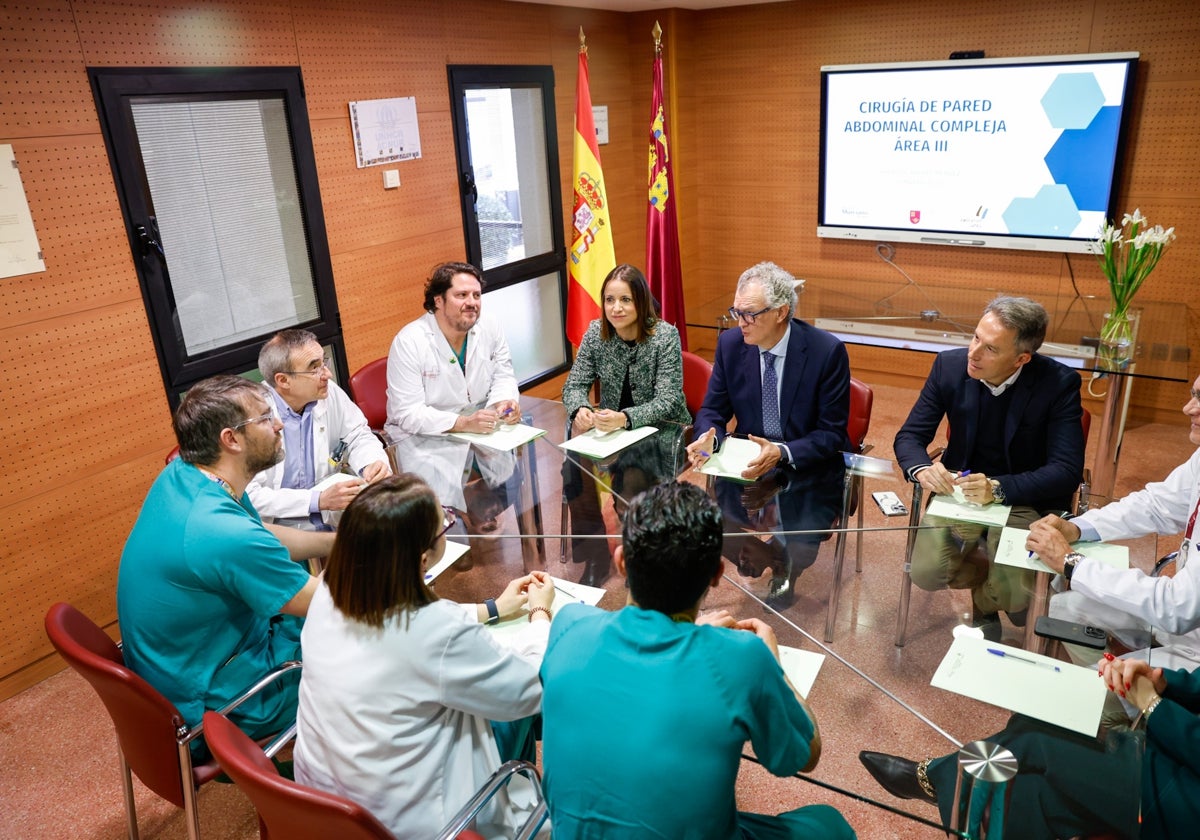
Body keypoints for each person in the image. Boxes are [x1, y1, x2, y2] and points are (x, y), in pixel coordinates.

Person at [539, 481, 855, 839]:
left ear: (622, 563)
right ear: (718, 575)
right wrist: (772, 666)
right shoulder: (742, 658)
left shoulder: (568, 625)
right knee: (829, 826)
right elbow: (803, 757)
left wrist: (687, 634)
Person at [293, 474, 554, 838]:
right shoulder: (436, 630)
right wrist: (540, 615)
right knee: (528, 709)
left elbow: (411, 626)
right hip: (417, 824)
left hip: (328, 806)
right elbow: (529, 690)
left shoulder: (330, 592)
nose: (448, 524)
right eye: (445, 522)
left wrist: (492, 608)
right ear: (422, 557)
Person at [117, 375, 331, 749]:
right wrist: (396, 565)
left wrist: (340, 541)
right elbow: (327, 602)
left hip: (186, 667)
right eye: (265, 418)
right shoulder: (219, 531)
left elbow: (263, 537)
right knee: (355, 649)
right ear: (230, 439)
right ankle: (327, 784)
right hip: (218, 705)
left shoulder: (187, 475)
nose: (279, 424)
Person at [893, 296, 1085, 639]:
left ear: (1022, 358)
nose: (974, 352)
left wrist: (998, 488)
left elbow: (1066, 469)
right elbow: (910, 436)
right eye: (975, 337)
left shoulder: (1058, 384)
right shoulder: (949, 366)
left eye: (991, 348)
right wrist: (922, 469)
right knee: (924, 573)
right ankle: (991, 586)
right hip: (960, 496)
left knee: (1014, 596)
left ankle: (986, 601)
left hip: (1023, 498)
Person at [859, 652, 1200, 839]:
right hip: (1177, 753)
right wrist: (1165, 683)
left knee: (1034, 743)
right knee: (1034, 726)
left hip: (1187, 797)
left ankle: (934, 780)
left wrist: (1155, 706)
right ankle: (944, 787)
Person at [685, 261, 850, 605]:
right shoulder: (732, 345)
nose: (739, 322)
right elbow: (714, 410)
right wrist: (708, 436)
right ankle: (769, 556)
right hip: (747, 464)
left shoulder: (826, 352)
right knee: (702, 518)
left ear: (781, 312)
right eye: (736, 312)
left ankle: (784, 564)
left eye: (749, 314)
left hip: (805, 465)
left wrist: (782, 452)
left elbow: (832, 435)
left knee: (802, 532)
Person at [1026, 375, 1200, 665]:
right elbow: (1156, 505)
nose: (1187, 408)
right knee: (1065, 607)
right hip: (1184, 621)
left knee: (1084, 699)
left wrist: (1072, 563)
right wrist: (1076, 527)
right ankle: (1111, 673)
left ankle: (1113, 689)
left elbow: (1177, 608)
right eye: (1194, 394)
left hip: (1192, 649)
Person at [560, 263, 690, 585]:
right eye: (609, 300)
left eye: (625, 300)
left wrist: (626, 418)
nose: (616, 308)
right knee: (573, 471)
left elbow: (670, 400)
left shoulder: (664, 336)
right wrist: (579, 409)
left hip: (661, 431)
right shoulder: (595, 333)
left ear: (641, 302)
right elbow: (573, 385)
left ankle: (641, 563)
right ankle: (595, 557)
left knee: (632, 481)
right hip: (609, 434)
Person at [384, 261, 521, 524]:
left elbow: (503, 373)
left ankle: (483, 514)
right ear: (438, 300)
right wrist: (461, 423)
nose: (472, 302)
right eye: (461, 295)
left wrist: (504, 401)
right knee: (443, 516)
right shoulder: (409, 342)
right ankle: (451, 534)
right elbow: (408, 413)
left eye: (477, 295)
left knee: (514, 476)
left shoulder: (489, 326)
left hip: (481, 424)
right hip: (427, 438)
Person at [247, 329, 390, 529]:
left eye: (324, 362)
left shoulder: (329, 393)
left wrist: (370, 463)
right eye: (314, 368)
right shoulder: (251, 417)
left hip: (328, 516)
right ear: (283, 381)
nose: (327, 374)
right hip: (275, 530)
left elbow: (357, 435)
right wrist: (317, 500)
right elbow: (249, 495)